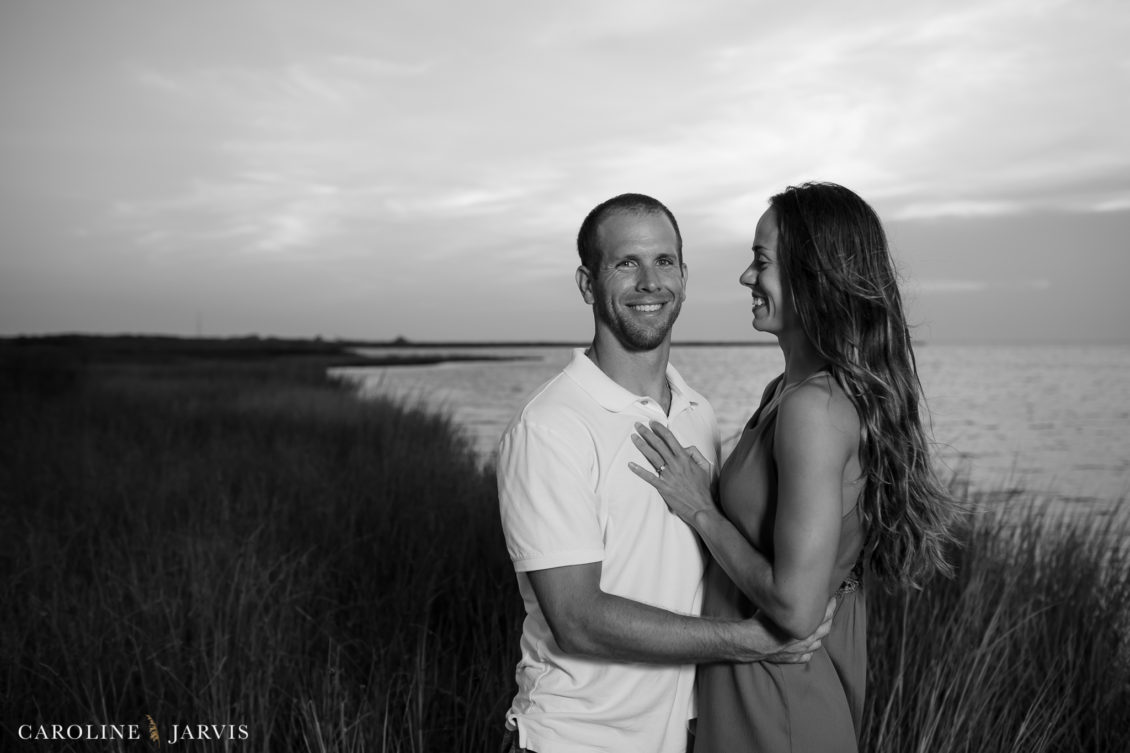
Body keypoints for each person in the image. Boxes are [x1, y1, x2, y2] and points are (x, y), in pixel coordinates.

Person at [630, 182, 964, 752]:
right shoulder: (788, 390)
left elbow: (796, 605)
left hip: (780, 695)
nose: (746, 277)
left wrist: (702, 511)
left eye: (761, 262)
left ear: (814, 278)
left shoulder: (814, 408)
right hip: (752, 681)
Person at [497, 193, 834, 753]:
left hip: (681, 738)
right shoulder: (551, 426)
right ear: (587, 284)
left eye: (665, 261)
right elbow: (578, 618)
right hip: (575, 740)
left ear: (685, 276)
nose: (650, 282)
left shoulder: (698, 411)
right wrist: (748, 641)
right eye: (626, 263)